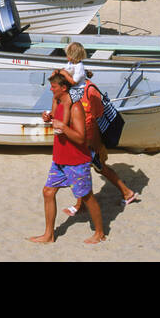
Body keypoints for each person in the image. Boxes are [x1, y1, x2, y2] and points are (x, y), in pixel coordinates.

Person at [28, 71, 105, 245]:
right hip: (60, 159)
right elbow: (56, 119)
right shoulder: (57, 100)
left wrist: (63, 126)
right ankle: (49, 235)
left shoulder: (76, 107)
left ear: (63, 88)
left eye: (53, 86)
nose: (50, 89)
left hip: (76, 161)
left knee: (87, 197)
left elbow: (80, 138)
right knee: (48, 192)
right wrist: (48, 117)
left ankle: (100, 233)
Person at [60, 44, 138, 210]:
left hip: (90, 140)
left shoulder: (90, 91)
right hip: (81, 138)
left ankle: (126, 193)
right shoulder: (74, 89)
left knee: (97, 168)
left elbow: (95, 120)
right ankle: (83, 203)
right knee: (85, 170)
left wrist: (95, 145)